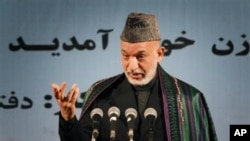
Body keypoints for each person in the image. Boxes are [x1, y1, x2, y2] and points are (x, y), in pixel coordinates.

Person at [51, 12, 218, 141]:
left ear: (160, 54)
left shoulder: (188, 99)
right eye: (125, 55)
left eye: (140, 56)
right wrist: (68, 117)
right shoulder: (101, 94)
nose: (131, 66)